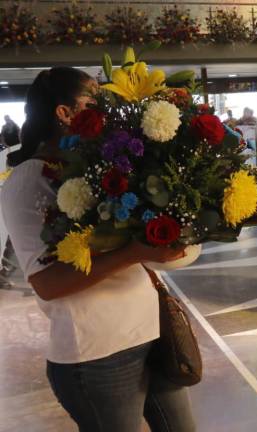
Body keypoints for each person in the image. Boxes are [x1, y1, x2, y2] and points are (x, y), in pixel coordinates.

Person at [1, 67, 196, 431]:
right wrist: (135, 252)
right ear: (65, 113)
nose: (107, 109)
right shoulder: (28, 181)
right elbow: (47, 282)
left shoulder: (99, 163)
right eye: (96, 101)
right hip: (97, 355)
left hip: (150, 332)